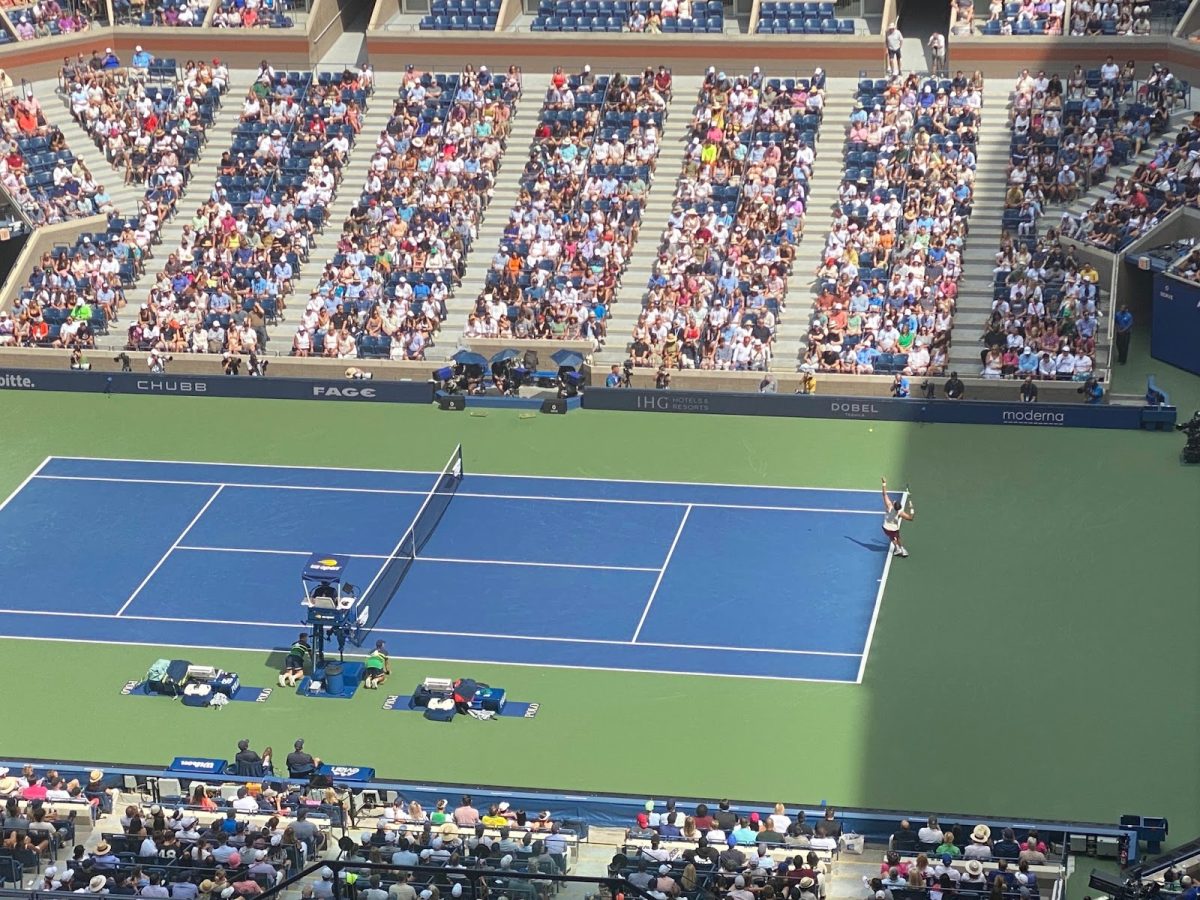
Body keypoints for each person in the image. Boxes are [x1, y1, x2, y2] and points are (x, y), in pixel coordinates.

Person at [880, 477, 915, 558]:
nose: (894, 501)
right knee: (898, 537)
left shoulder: (889, 506)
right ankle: (902, 549)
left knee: (891, 538)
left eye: (895, 502)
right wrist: (911, 508)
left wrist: (884, 483)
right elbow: (911, 518)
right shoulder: (900, 513)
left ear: (894, 505)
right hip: (895, 528)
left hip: (886, 527)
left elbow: (884, 494)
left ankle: (897, 548)